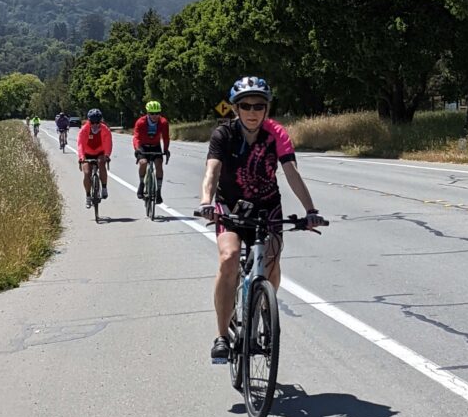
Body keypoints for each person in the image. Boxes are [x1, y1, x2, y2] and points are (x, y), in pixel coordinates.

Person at [198, 76, 324, 364]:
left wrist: (311, 210)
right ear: (235, 109)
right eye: (246, 105)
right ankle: (221, 336)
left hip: (268, 207)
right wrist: (206, 202)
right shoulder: (223, 135)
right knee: (229, 257)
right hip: (230, 207)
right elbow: (212, 170)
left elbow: (291, 171)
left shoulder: (276, 133)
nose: (252, 111)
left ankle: (264, 304)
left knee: (272, 259)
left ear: (267, 108)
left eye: (259, 105)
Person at [133, 100, 170, 203]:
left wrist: (166, 149)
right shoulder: (140, 122)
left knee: (159, 164)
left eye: (157, 113)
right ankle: (141, 184)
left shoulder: (163, 122)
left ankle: (158, 191)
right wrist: (137, 149)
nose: (155, 116)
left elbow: (166, 137)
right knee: (143, 163)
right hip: (143, 146)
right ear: (147, 113)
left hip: (155, 146)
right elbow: (136, 137)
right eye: (152, 113)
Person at [77, 109, 113, 208]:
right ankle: (88, 196)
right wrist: (81, 158)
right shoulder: (84, 130)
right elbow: (80, 145)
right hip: (87, 153)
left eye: (98, 122)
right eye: (92, 122)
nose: (95, 125)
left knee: (101, 163)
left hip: (100, 152)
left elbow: (108, 143)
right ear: (89, 121)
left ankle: (104, 187)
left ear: (100, 121)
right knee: (87, 173)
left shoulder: (105, 129)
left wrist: (107, 155)